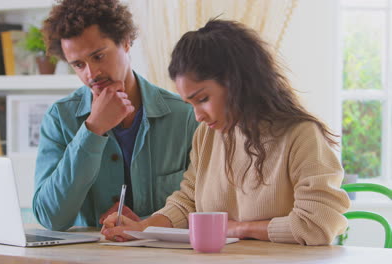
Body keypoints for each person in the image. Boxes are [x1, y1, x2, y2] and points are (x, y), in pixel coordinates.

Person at [101, 19, 351, 245]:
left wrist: (240, 229)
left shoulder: (301, 135)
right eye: (191, 104)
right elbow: (188, 200)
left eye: (203, 98)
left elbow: (319, 224)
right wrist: (141, 228)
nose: (198, 116)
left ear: (238, 83)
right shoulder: (207, 135)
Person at [33, 0, 199, 231]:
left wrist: (146, 223)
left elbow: (207, 204)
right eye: (79, 65)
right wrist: (92, 130)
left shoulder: (186, 116)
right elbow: (50, 217)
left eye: (98, 56)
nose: (91, 73)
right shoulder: (59, 119)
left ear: (125, 42)